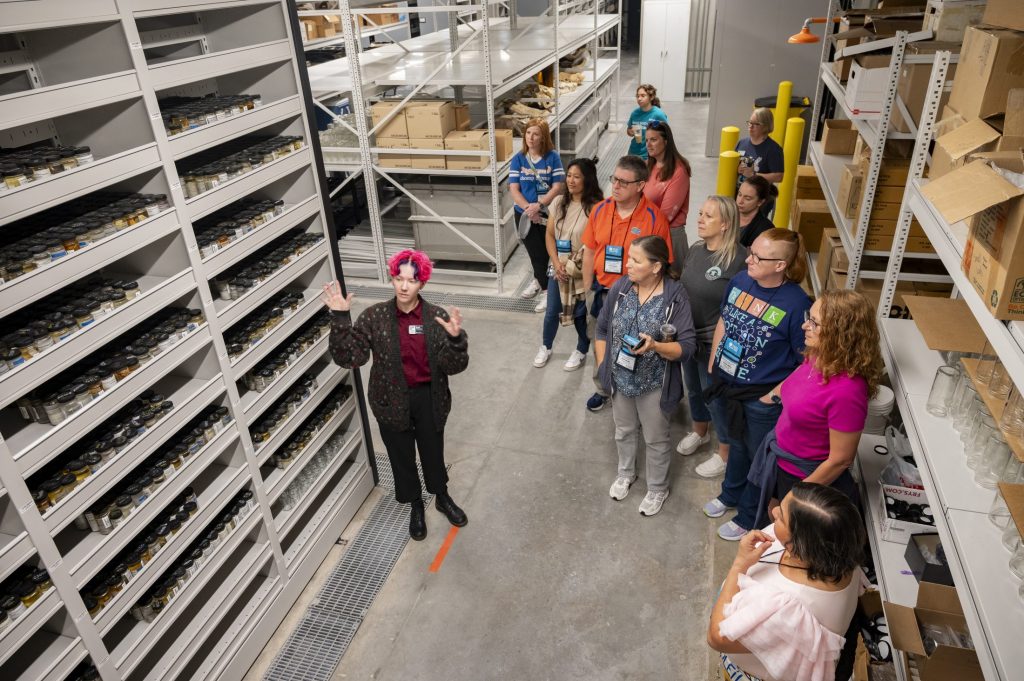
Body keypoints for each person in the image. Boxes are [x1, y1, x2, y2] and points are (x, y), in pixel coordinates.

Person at [322, 250, 469, 541]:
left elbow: (455, 366)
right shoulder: (374, 316)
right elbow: (351, 358)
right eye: (398, 278)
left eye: (411, 281)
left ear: (422, 284)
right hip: (390, 399)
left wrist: (455, 340)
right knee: (401, 456)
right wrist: (340, 319)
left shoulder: (436, 317)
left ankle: (441, 495)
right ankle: (415, 504)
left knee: (432, 450)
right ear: (391, 278)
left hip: (429, 398)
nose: (403, 286)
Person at [702, 229, 812, 541]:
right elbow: (725, 318)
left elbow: (807, 361)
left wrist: (772, 396)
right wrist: (714, 360)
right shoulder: (739, 281)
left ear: (780, 265)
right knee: (736, 445)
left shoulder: (796, 304)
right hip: (727, 384)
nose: (748, 259)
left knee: (758, 458)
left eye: (757, 257)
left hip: (761, 396)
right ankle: (729, 495)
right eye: (751, 252)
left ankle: (750, 516)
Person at [747, 290, 884, 527]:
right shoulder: (819, 356)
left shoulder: (848, 390)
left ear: (841, 333)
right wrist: (768, 397)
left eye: (814, 323)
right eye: (808, 317)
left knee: (792, 541)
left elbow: (840, 460)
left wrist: (796, 497)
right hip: (781, 464)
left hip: (808, 479)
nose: (803, 326)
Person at [708, 483, 866, 681]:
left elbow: (717, 637)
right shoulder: (841, 554)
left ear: (801, 543)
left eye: (781, 516)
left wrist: (739, 565)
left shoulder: (790, 607)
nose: (773, 511)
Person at [596, 235, 696, 516]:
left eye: (636, 260)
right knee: (623, 431)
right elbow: (602, 328)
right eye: (628, 257)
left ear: (656, 267)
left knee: (656, 439)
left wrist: (656, 346)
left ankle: (657, 489)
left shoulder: (675, 297)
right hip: (620, 379)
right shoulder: (622, 288)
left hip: (654, 384)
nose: (628, 264)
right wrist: (604, 365)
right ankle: (626, 473)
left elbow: (687, 347)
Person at [582, 155, 673, 412]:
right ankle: (603, 387)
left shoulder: (655, 219)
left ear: (640, 185)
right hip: (601, 291)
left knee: (634, 345)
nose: (616, 186)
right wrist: (589, 287)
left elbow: (661, 266)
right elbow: (590, 250)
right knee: (599, 340)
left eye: (623, 182)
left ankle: (636, 393)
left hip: (636, 296)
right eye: (614, 179)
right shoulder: (600, 209)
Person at [675, 197, 747, 480]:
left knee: (717, 398)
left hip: (714, 345)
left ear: (726, 224)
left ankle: (725, 453)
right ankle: (700, 431)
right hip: (688, 338)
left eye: (708, 216)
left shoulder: (738, 260)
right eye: (701, 213)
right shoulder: (696, 249)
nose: (700, 219)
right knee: (693, 389)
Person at [534, 157, 604, 371]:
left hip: (581, 268)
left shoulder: (596, 207)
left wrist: (572, 265)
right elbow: (549, 235)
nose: (571, 181)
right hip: (558, 266)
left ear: (587, 180)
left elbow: (596, 242)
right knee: (552, 310)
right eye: (569, 175)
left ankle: (581, 349)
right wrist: (556, 263)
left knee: (581, 314)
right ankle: (546, 346)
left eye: (577, 177)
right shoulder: (558, 202)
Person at [509, 119, 565, 312]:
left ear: (543, 137)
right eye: (528, 133)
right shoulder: (519, 158)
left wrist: (539, 205)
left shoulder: (552, 157)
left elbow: (558, 186)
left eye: (536, 134)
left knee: (547, 252)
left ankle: (547, 290)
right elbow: (514, 189)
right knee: (536, 254)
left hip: (547, 213)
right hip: (524, 214)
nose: (531, 138)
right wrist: (528, 208)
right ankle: (543, 286)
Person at [644, 120, 692, 271]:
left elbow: (665, 216)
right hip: (649, 232)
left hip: (670, 237)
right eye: (646, 140)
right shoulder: (649, 166)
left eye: (653, 140)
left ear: (666, 141)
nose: (648, 144)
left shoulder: (678, 172)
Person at [736, 108, 784, 215]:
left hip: (759, 197)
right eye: (749, 122)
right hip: (740, 193)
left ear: (765, 127)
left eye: (755, 124)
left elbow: (778, 176)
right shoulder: (742, 143)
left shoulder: (773, 149)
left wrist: (754, 174)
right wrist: (737, 169)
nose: (750, 126)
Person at [626, 84, 669, 160]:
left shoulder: (658, 114)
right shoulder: (635, 113)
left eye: (643, 96)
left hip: (649, 156)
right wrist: (631, 132)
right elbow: (629, 131)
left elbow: (667, 135)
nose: (639, 98)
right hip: (633, 153)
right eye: (638, 96)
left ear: (651, 97)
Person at [736, 176, 778, 248]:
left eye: (747, 198)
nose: (740, 201)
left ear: (760, 202)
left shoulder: (765, 230)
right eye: (739, 194)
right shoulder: (726, 216)